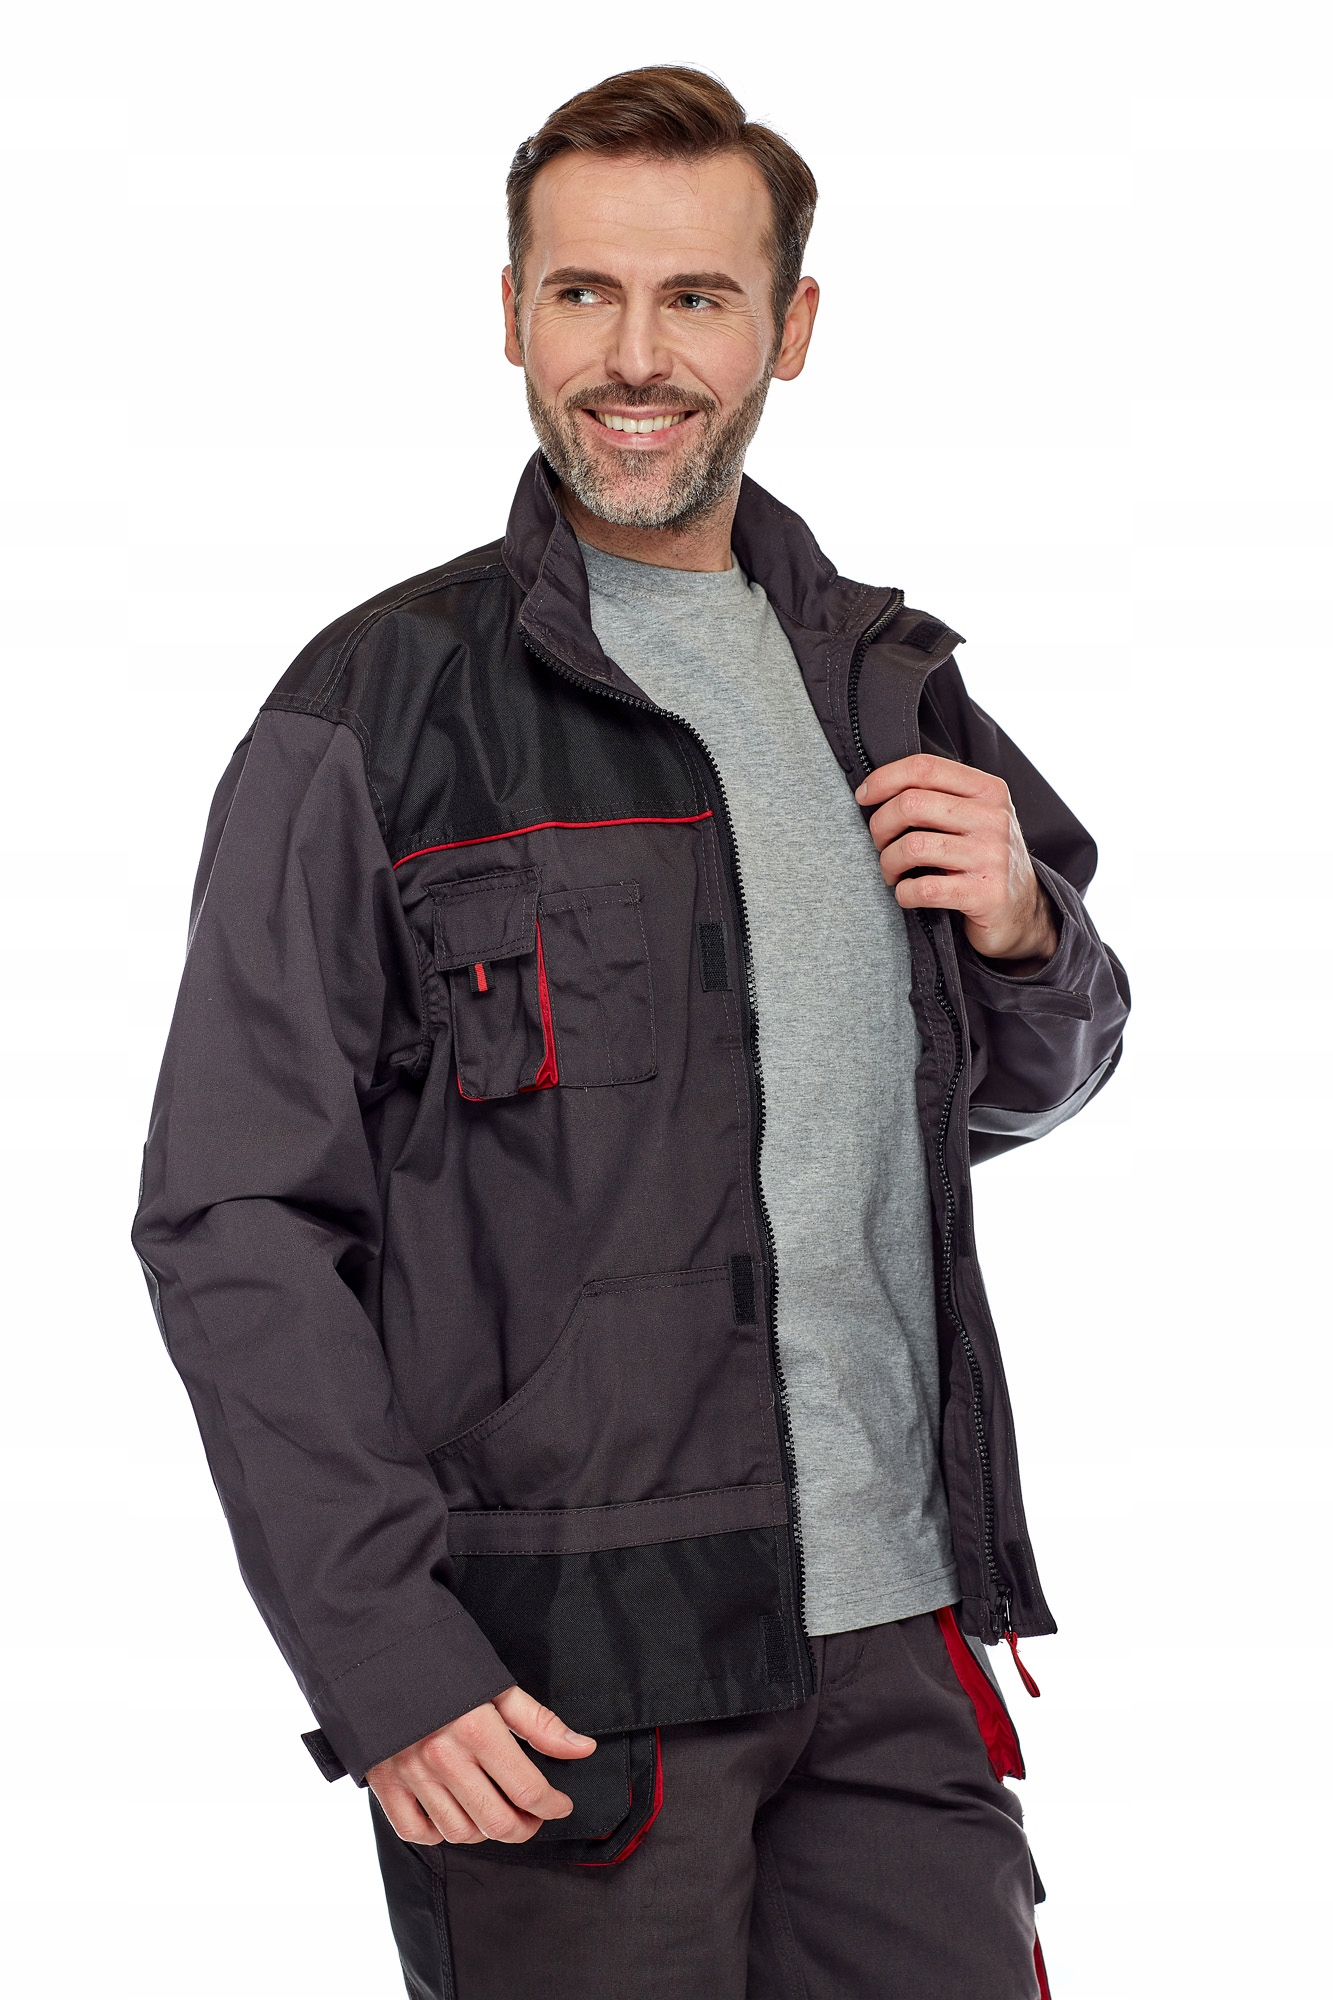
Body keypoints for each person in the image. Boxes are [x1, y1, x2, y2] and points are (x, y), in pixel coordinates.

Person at [133, 65, 1128, 2000]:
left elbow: (1010, 1089)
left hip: (899, 1650)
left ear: (789, 328)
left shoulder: (886, 683)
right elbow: (233, 1218)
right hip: (560, 1686)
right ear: (510, 312)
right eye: (583, 292)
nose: (635, 357)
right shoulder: (374, 710)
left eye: (696, 297)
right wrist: (385, 1657)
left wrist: (1026, 930)